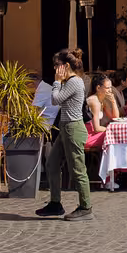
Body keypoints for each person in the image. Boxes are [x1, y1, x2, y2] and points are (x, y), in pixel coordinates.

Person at [36, 50, 93, 220]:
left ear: (66, 66)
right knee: (52, 164)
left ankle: (86, 207)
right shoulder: (70, 81)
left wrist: (56, 82)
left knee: (78, 170)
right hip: (65, 127)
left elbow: (55, 99)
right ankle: (55, 203)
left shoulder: (74, 82)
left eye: (56, 65)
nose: (55, 69)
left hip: (73, 128)